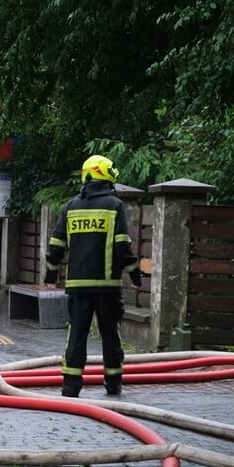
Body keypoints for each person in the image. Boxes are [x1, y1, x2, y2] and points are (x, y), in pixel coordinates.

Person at [44, 154, 143, 397]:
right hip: (107, 286)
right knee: (111, 335)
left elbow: (55, 244)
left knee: (76, 335)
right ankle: (113, 384)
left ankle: (71, 387)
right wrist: (135, 273)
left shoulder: (71, 206)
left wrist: (51, 274)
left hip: (77, 286)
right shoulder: (114, 206)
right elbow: (122, 245)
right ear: (105, 175)